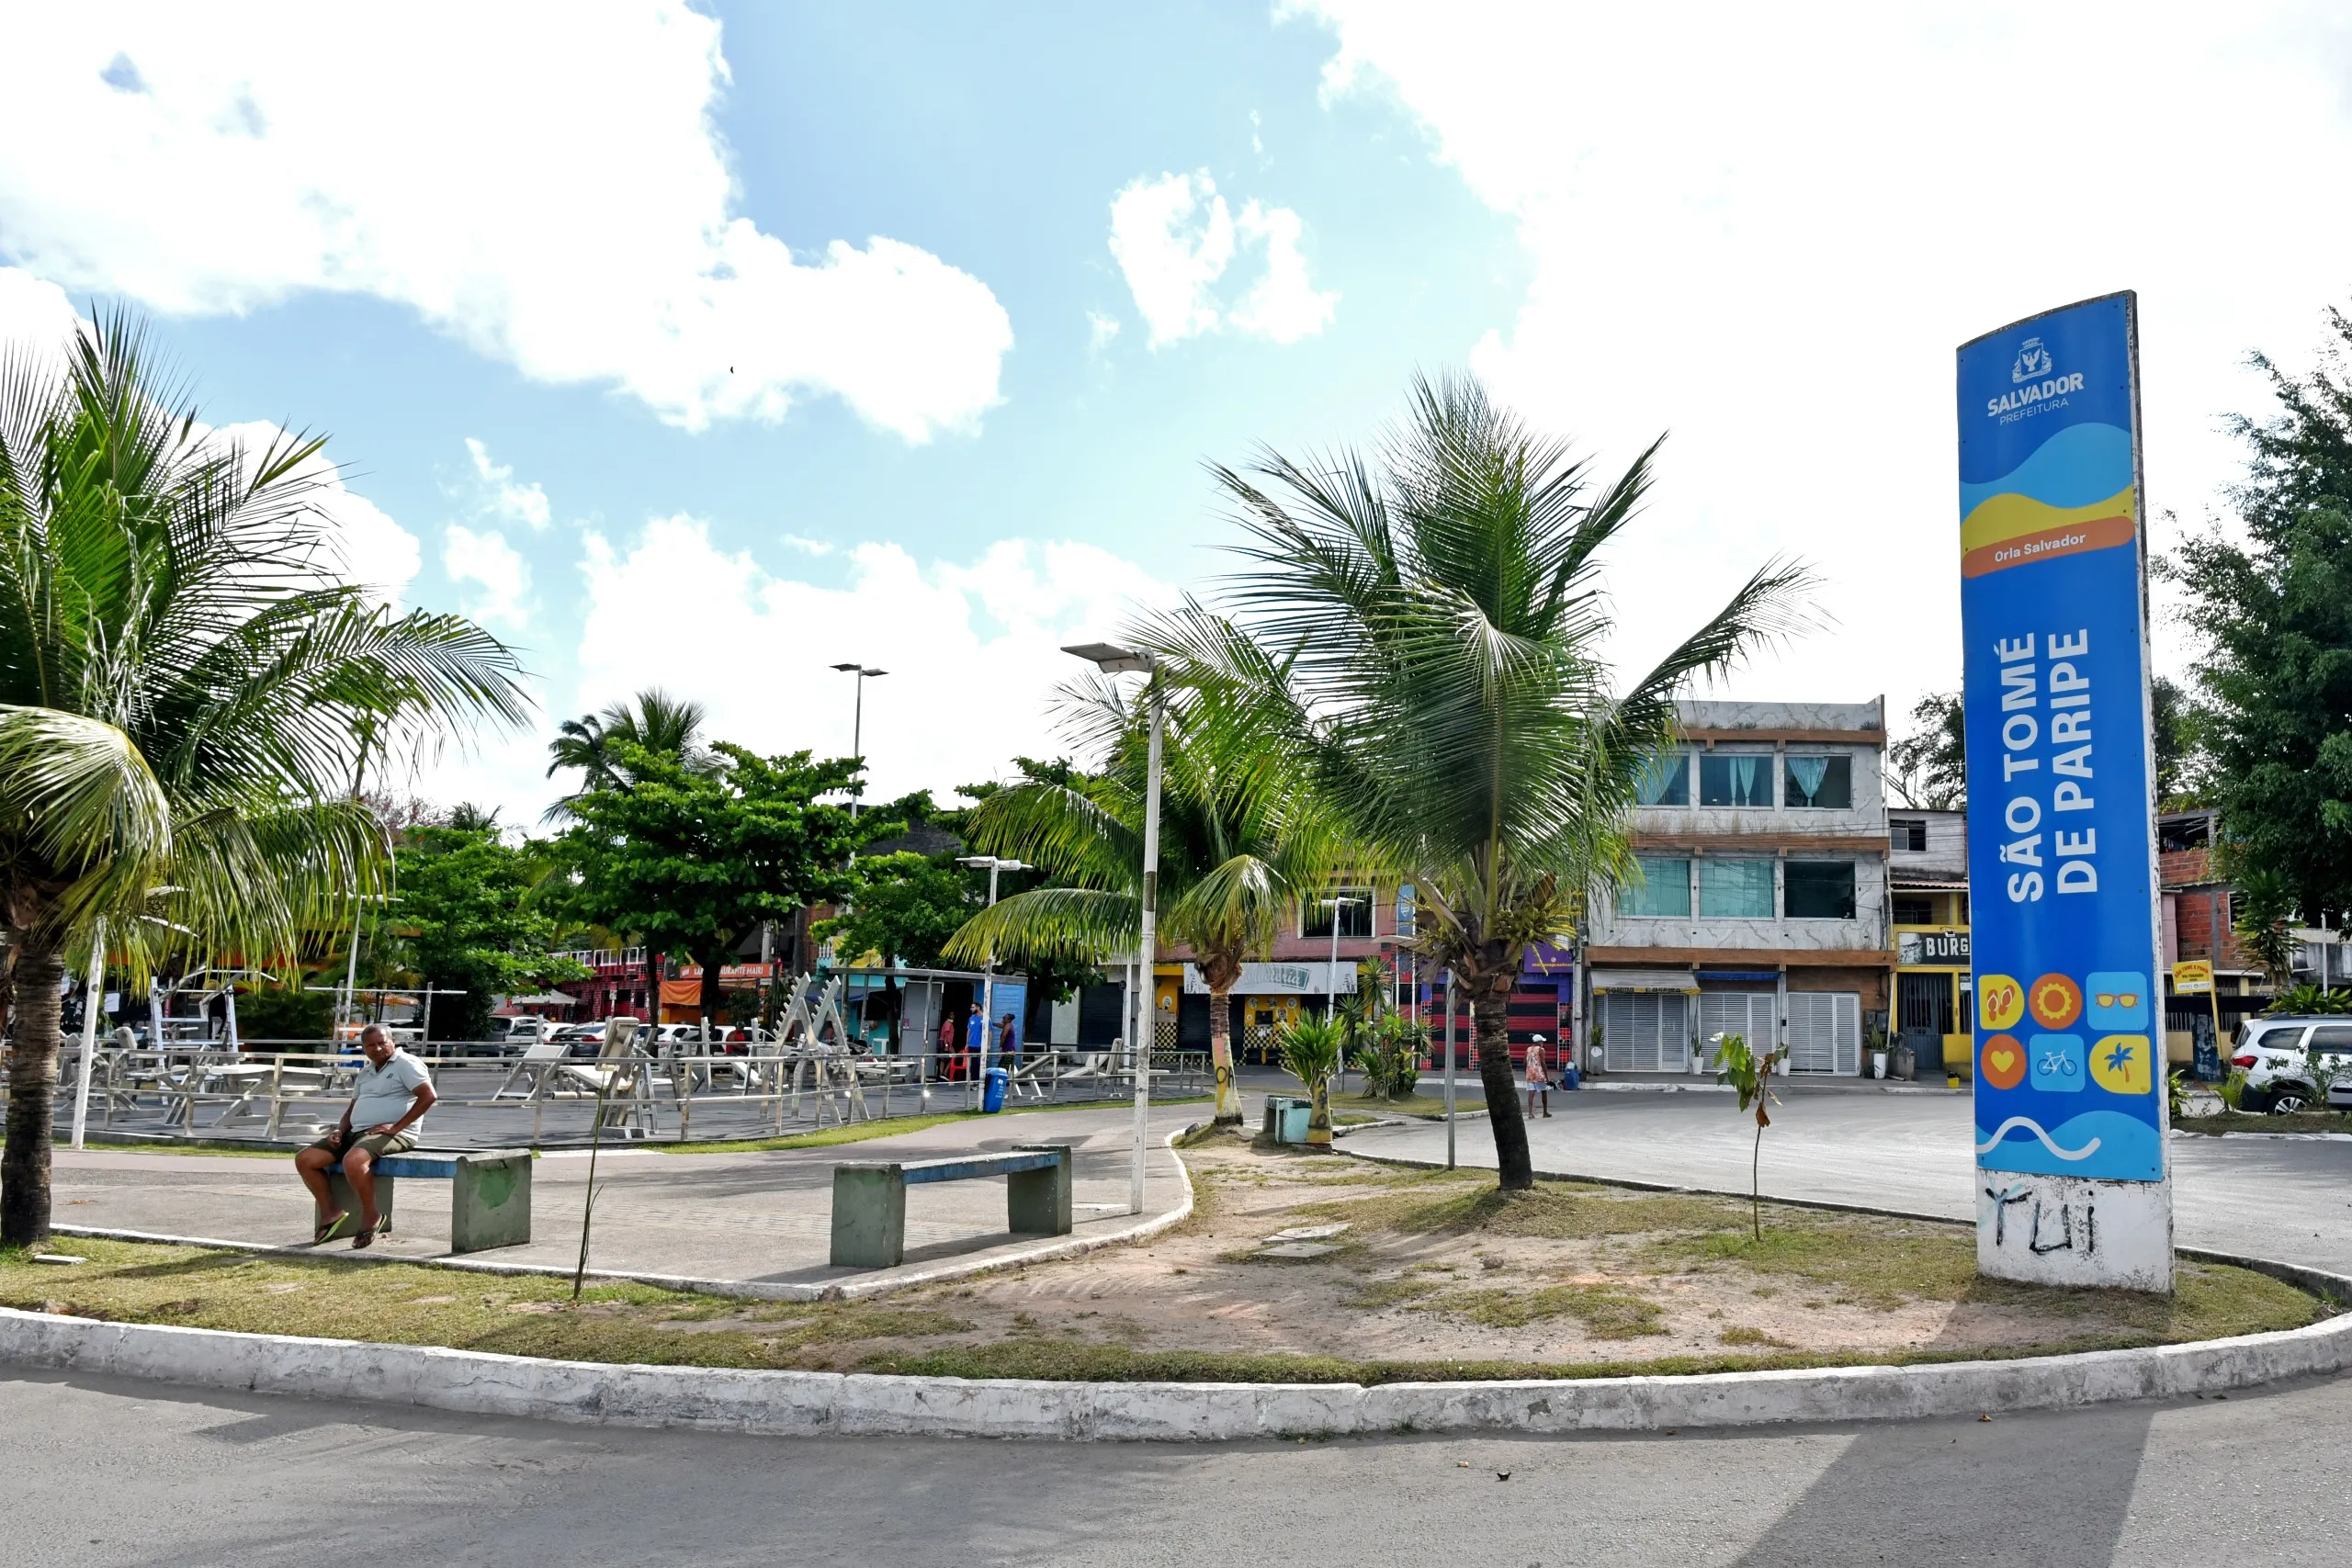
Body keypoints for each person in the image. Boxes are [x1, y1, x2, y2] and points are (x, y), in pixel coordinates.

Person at [295, 1024, 435, 1247]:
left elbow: (428, 1097)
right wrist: (340, 1131)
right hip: (356, 1133)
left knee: (353, 1160)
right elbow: (352, 1109)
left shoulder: (406, 1064)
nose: (377, 1048)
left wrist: (395, 1128)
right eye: (371, 1045)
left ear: (393, 1042)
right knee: (305, 1159)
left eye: (382, 1042)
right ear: (364, 1048)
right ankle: (331, 1212)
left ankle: (371, 1215)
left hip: (396, 1134)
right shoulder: (366, 1072)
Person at [1524, 1032, 1552, 1119]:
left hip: (1530, 1074)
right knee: (1544, 1092)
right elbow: (1543, 1063)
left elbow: (1525, 1062)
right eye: (1542, 1041)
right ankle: (1545, 1112)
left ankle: (1530, 1113)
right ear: (1539, 1042)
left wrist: (1528, 1070)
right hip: (1539, 1074)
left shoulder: (1528, 1049)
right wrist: (1547, 1077)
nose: (1542, 1043)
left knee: (1531, 1093)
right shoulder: (1541, 1050)